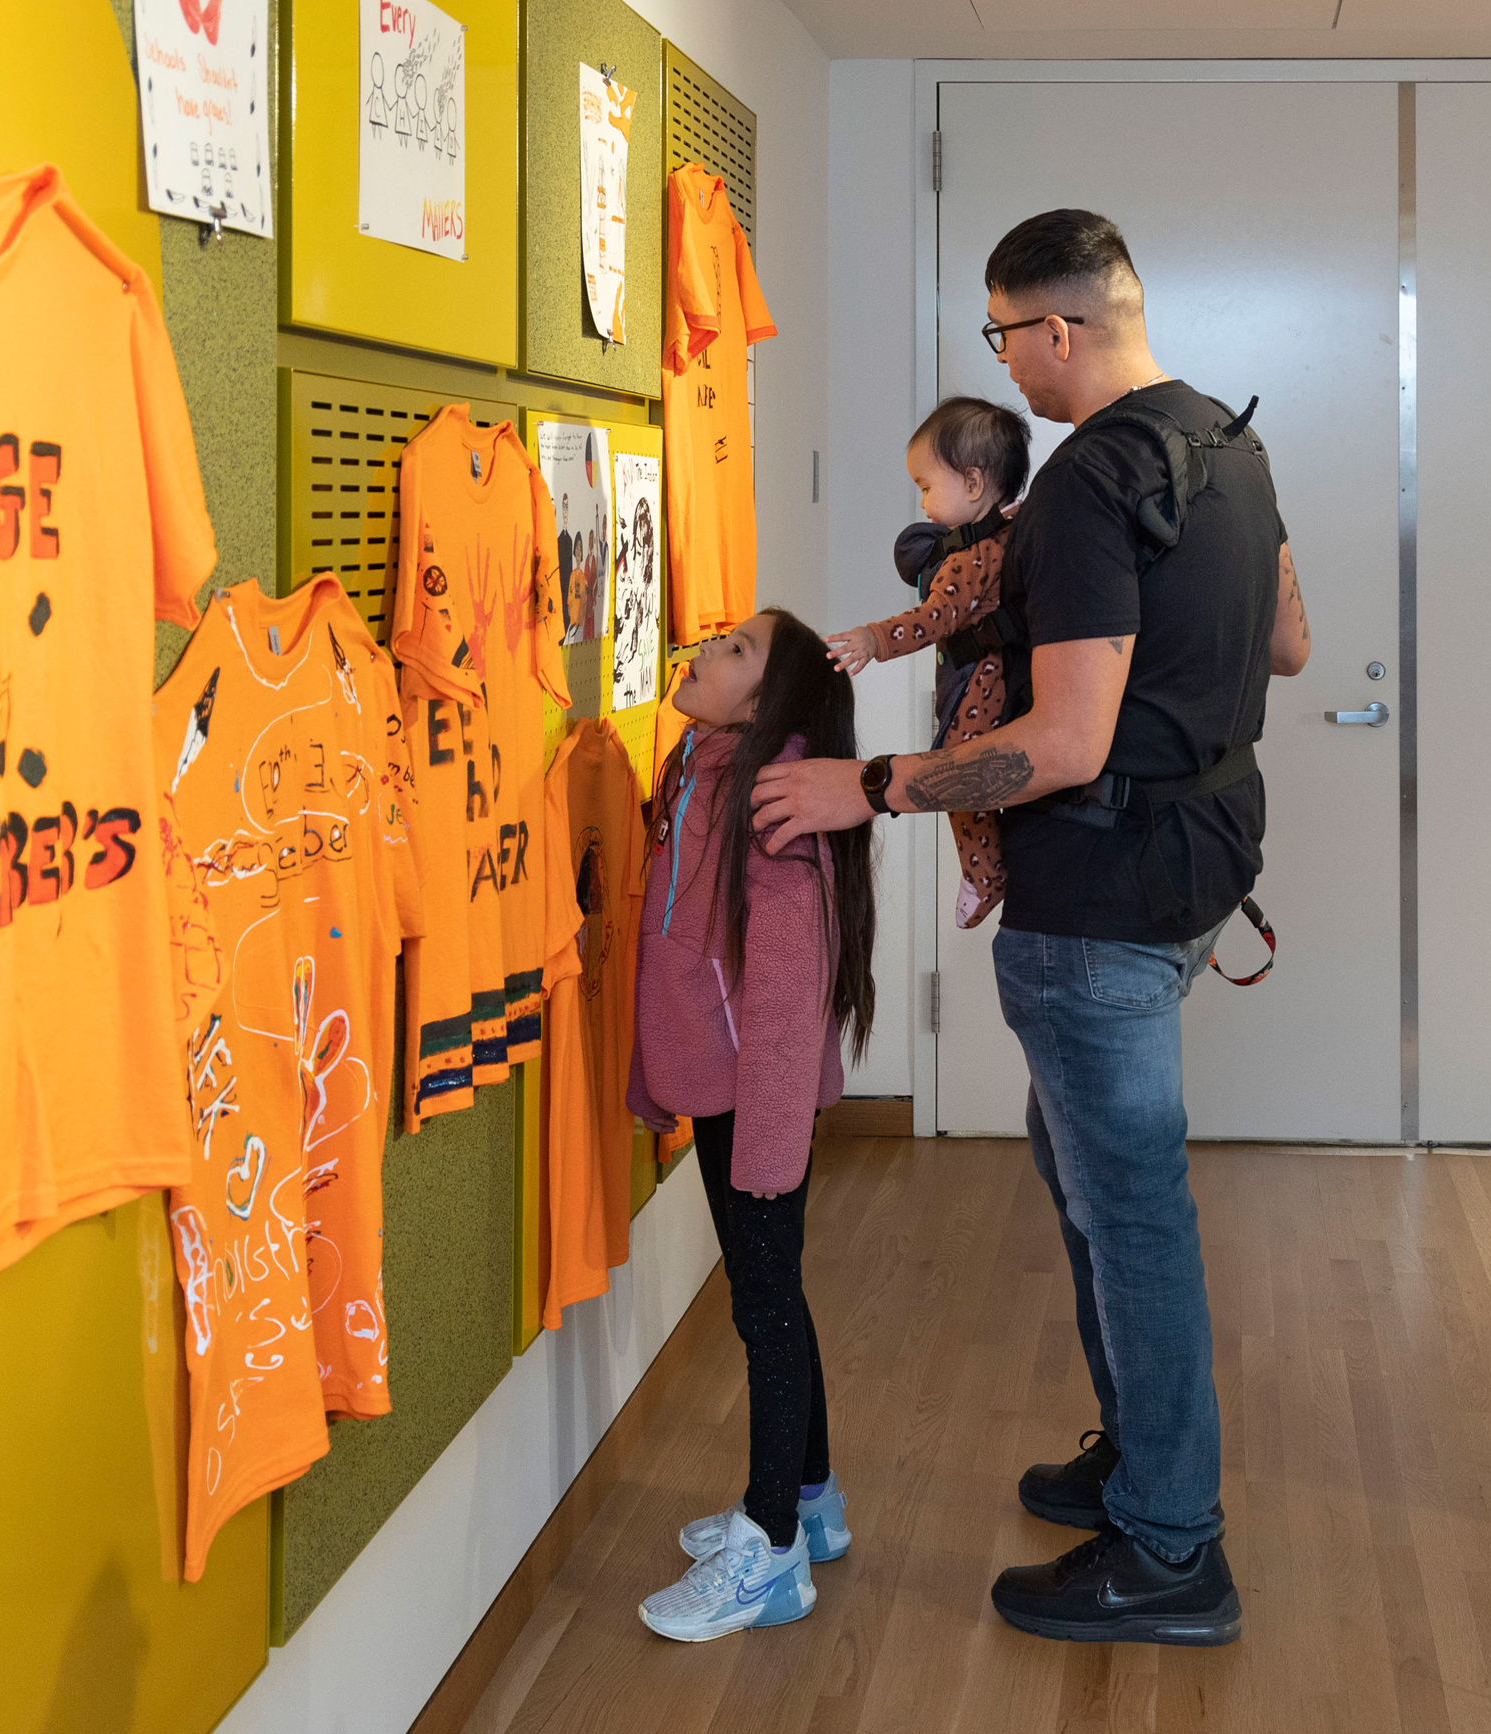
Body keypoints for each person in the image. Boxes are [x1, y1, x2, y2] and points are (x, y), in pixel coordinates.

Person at [748, 208, 1311, 1647]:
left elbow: (1057, 747)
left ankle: (1175, 1547)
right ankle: (1142, 1462)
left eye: (1003, 333)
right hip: (1193, 872)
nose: (1001, 359)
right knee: (1098, 1186)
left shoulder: (1079, 489)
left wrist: (864, 783)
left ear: (1057, 331)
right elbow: (1289, 637)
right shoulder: (1229, 446)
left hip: (1103, 903)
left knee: (1130, 1218)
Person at [625, 608, 878, 1643]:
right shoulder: (701, 765)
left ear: (770, 703)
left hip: (753, 1101)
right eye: (716, 639)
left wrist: (770, 1146)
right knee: (771, 1294)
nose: (703, 654)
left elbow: (780, 998)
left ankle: (768, 1552)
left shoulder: (767, 804)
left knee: (763, 1314)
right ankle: (810, 1505)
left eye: (734, 652)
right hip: (722, 1088)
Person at [825, 396, 1033, 928]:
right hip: (1000, 679)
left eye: (926, 487)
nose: (922, 504)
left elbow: (934, 619)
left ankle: (984, 873)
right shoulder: (1011, 533)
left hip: (981, 683)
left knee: (957, 775)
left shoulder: (969, 558)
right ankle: (990, 863)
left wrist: (875, 640)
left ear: (972, 484)